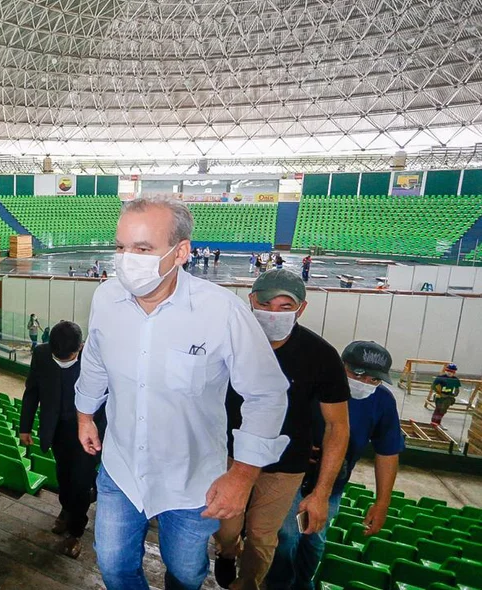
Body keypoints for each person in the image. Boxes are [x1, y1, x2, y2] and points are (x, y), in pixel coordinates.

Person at [75, 196, 291, 590]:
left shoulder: (221, 312)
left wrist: (241, 476)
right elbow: (95, 359)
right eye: (121, 247)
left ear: (181, 252)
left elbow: (266, 394)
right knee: (113, 565)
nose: (126, 259)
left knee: (187, 572)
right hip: (120, 468)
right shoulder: (106, 299)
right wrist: (85, 414)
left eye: (142, 249)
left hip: (192, 482)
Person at [214, 269, 350, 590]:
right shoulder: (226, 344)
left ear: (301, 309)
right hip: (231, 458)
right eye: (266, 304)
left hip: (285, 466)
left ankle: (247, 582)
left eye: (285, 307)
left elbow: (337, 426)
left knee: (263, 536)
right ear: (251, 302)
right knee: (226, 525)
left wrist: (321, 493)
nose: (274, 313)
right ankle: (228, 550)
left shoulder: (321, 356)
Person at [265, 341, 404, 590]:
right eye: (357, 374)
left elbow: (388, 452)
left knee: (314, 538)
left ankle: (303, 581)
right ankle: (278, 583)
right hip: (291, 474)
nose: (365, 383)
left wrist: (382, 502)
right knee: (286, 536)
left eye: (374, 379)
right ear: (341, 366)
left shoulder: (381, 401)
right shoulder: (314, 385)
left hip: (332, 483)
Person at [19, 321, 107, 558]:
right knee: (64, 476)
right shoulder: (41, 353)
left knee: (80, 482)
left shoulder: (97, 358)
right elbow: (32, 392)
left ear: (80, 347)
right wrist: (24, 427)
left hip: (89, 432)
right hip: (58, 430)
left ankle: (75, 532)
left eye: (68, 358)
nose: (63, 361)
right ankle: (67, 509)